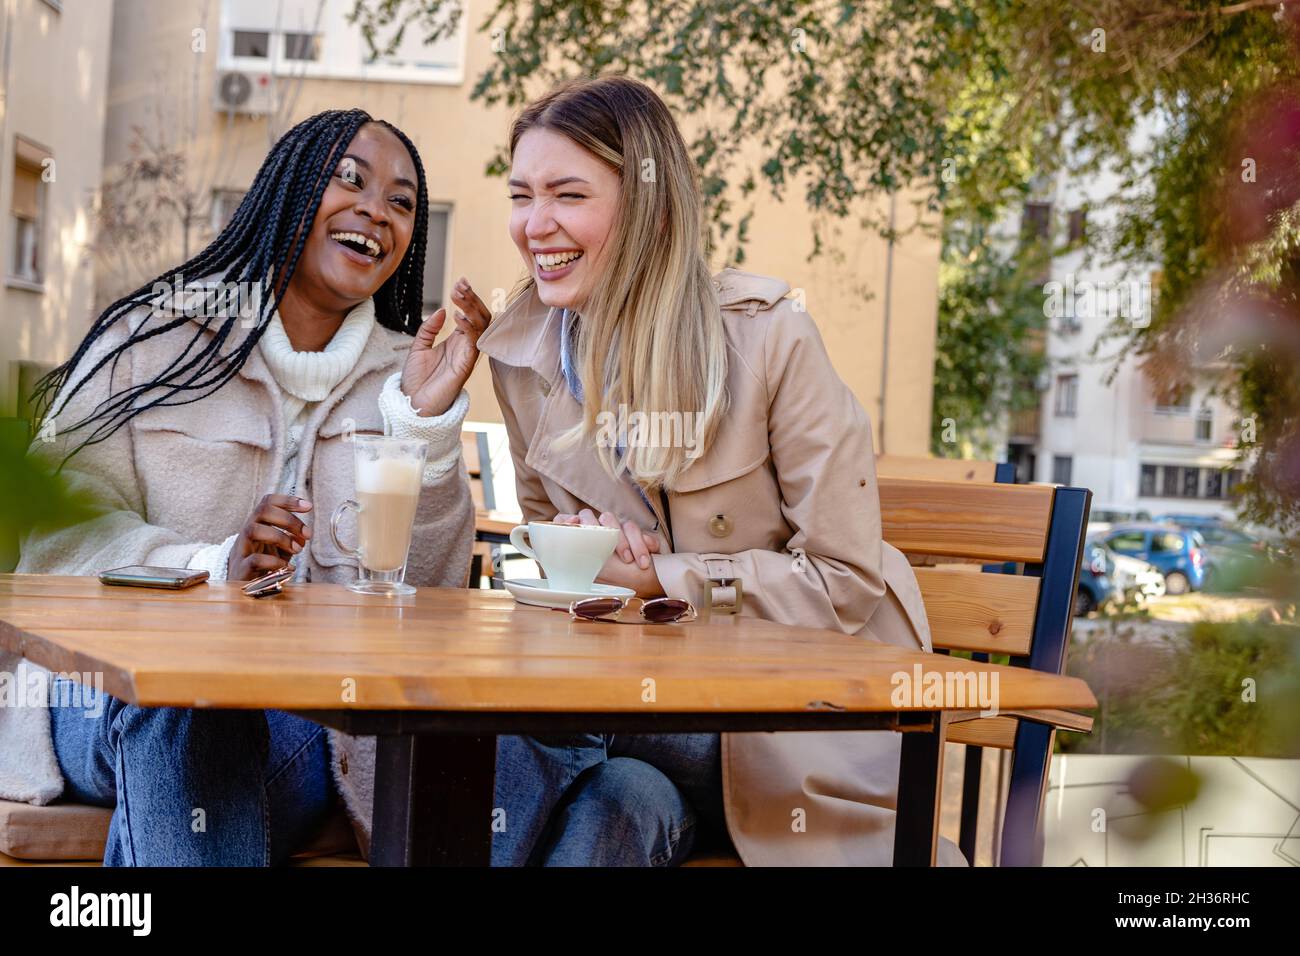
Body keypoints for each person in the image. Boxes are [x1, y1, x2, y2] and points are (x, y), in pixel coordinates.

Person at [472, 75, 967, 866]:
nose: (536, 226)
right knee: (615, 812)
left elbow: (843, 578)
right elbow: (548, 572)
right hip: (638, 739)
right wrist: (579, 561)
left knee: (496, 731)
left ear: (649, 208)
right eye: (522, 195)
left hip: (789, 726)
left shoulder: (768, 339)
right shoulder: (524, 357)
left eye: (568, 194)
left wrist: (660, 577)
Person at [0, 109, 490, 865]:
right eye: (350, 180)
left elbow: (429, 605)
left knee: (210, 734)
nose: (375, 211)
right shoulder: (153, 340)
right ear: (289, 192)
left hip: (305, 737)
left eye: (402, 203)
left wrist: (422, 425)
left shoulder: (408, 375)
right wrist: (213, 565)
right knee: (186, 707)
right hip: (94, 706)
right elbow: (58, 540)